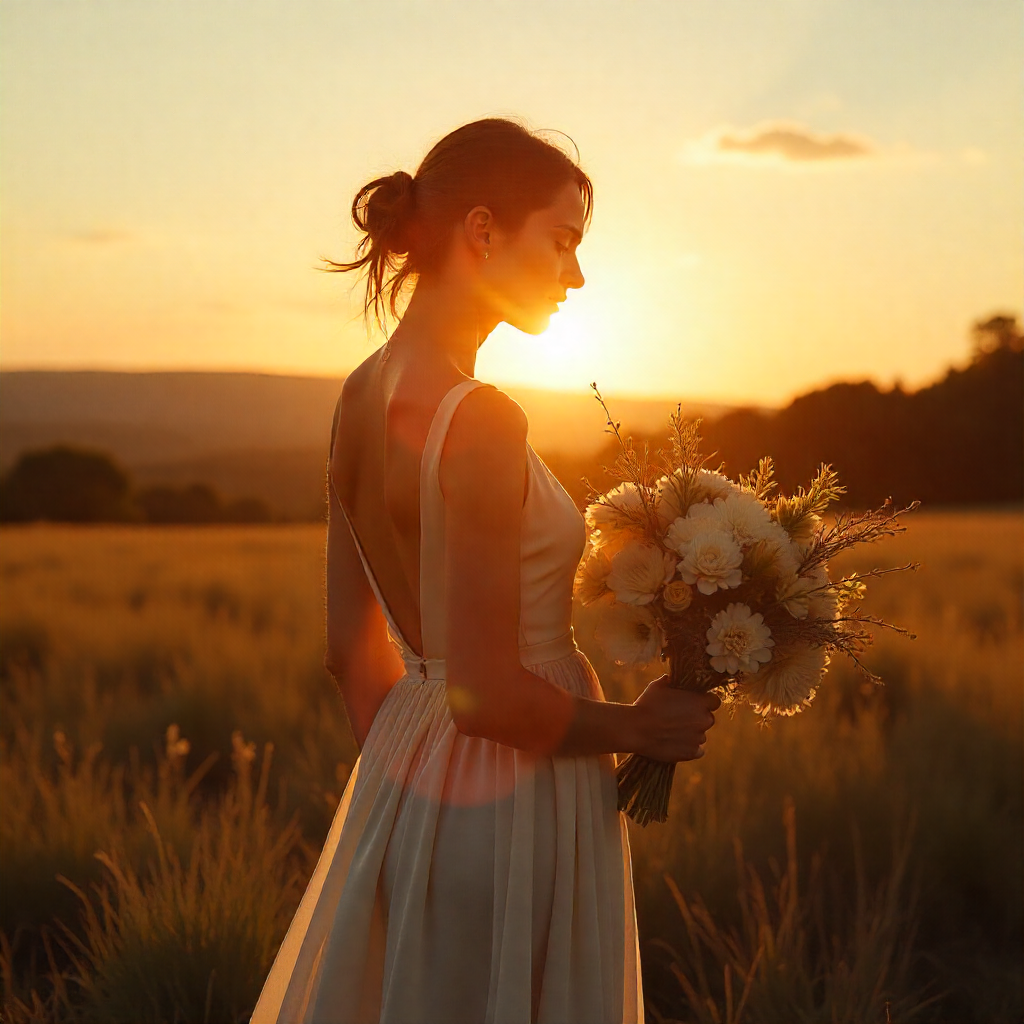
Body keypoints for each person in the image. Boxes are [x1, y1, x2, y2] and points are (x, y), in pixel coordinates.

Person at [251, 118, 719, 1024]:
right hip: (518, 805)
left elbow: (352, 659)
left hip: (403, 781)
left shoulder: (356, 395)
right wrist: (641, 728)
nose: (575, 274)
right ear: (481, 231)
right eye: (563, 240)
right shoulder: (485, 420)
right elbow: (491, 699)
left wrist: (414, 787)